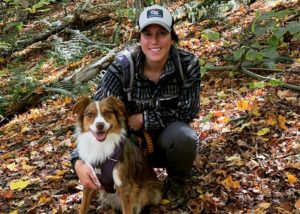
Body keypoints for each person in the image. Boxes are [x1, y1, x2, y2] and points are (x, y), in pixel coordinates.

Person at [71, 4, 200, 209]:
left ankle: (176, 183)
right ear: (139, 39)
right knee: (109, 141)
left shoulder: (188, 64)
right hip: (128, 146)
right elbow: (92, 115)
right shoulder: (123, 65)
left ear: (172, 37)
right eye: (147, 34)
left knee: (185, 137)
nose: (154, 41)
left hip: (167, 142)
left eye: (162, 33)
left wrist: (144, 119)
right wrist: (78, 161)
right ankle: (114, 185)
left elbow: (189, 110)